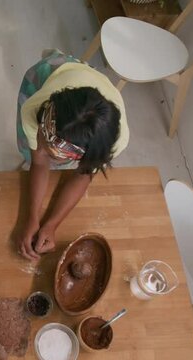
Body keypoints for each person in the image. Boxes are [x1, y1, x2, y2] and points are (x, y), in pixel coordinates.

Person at [16, 50, 129, 261]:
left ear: (83, 157)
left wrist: (51, 225)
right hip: (54, 74)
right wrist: (32, 218)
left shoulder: (112, 141)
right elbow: (39, 162)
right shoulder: (35, 108)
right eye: (42, 135)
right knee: (32, 152)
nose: (41, 148)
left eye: (52, 153)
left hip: (90, 86)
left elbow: (83, 175)